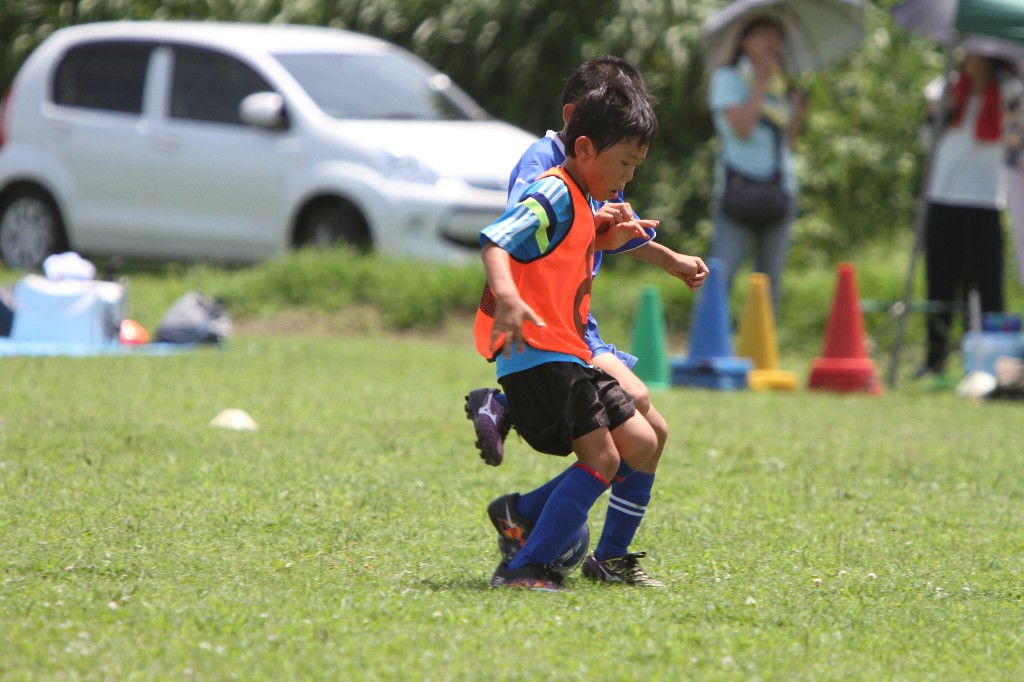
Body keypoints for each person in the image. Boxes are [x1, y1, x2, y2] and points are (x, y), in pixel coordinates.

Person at [466, 57, 707, 587]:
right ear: (582, 138)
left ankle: (529, 518)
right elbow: (505, 237)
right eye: (625, 163)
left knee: (642, 439)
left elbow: (577, 238)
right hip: (543, 341)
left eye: (635, 165)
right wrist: (508, 297)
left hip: (571, 340)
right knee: (613, 443)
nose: (628, 177)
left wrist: (629, 244)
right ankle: (527, 561)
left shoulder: (587, 187)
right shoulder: (552, 181)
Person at [919, 52, 1016, 379]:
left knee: (985, 287)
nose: (968, 59)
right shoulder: (945, 89)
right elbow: (925, 141)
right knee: (940, 284)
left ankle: (987, 362)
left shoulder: (1009, 92)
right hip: (942, 196)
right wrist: (943, 112)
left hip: (985, 201)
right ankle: (934, 359)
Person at [706, 14, 806, 314]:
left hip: (780, 189)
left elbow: (788, 143)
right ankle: (709, 340)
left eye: (777, 36)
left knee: (769, 281)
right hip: (738, 188)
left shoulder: (781, 84)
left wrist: (797, 115)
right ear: (744, 41)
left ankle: (761, 342)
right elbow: (743, 127)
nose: (772, 42)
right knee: (721, 275)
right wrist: (760, 81)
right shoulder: (727, 78)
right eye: (763, 33)